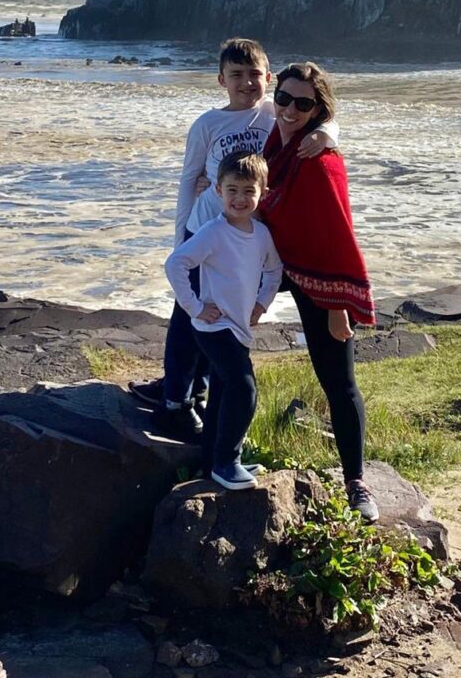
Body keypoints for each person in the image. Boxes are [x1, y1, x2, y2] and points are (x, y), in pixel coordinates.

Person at [129, 37, 338, 440]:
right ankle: (175, 400)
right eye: (236, 75)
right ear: (221, 79)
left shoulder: (274, 114)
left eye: (254, 75)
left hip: (248, 236)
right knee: (190, 313)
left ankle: (197, 390)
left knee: (225, 314)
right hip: (206, 229)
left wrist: (328, 134)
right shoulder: (207, 124)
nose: (246, 83)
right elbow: (189, 179)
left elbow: (322, 114)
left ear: (269, 79)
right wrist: (180, 238)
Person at [260, 62, 380, 522]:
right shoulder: (275, 138)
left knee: (340, 384)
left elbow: (336, 236)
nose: (290, 109)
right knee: (204, 315)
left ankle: (357, 484)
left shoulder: (320, 161)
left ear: (317, 110)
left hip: (317, 278)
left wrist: (337, 308)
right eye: (285, 98)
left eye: (303, 103)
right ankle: (184, 406)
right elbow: (234, 104)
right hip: (273, 263)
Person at [164, 150, 282, 490]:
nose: (240, 198)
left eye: (248, 191)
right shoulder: (213, 232)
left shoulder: (261, 235)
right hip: (213, 327)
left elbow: (275, 271)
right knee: (243, 389)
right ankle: (228, 462)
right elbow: (175, 264)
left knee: (221, 393)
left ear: (263, 193)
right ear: (218, 191)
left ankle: (212, 462)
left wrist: (261, 304)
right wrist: (195, 307)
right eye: (232, 190)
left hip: (240, 326)